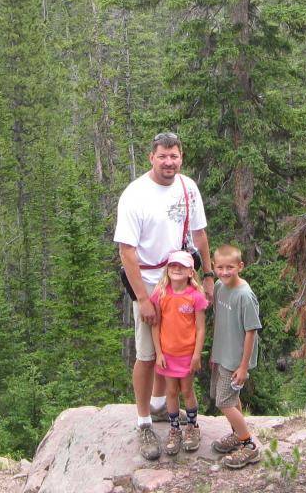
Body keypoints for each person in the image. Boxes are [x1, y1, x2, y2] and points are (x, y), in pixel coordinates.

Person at [115, 132, 215, 461]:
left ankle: (160, 406)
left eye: (174, 156)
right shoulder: (135, 195)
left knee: (172, 346)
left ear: (181, 157)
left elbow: (199, 234)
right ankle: (144, 421)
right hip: (146, 280)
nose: (168, 162)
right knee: (147, 353)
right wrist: (143, 299)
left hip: (179, 278)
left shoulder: (188, 188)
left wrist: (209, 275)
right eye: (162, 157)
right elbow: (127, 251)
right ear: (151, 157)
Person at [208, 244, 262, 468]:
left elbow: (251, 333)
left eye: (230, 267)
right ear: (214, 266)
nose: (224, 271)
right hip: (223, 354)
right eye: (220, 267)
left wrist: (243, 366)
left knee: (223, 401)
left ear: (240, 266)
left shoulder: (245, 296)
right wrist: (215, 353)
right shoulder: (220, 287)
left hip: (236, 360)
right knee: (231, 399)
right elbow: (221, 323)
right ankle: (236, 434)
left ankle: (248, 444)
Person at [150, 250, 208, 456]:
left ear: (190, 272)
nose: (176, 269)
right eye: (173, 265)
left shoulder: (195, 297)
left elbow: (200, 328)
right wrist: (158, 353)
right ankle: (175, 429)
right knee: (171, 392)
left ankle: (192, 427)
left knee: (187, 391)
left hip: (187, 354)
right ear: (168, 269)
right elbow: (155, 325)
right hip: (167, 354)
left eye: (181, 267)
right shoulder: (161, 294)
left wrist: (196, 355)